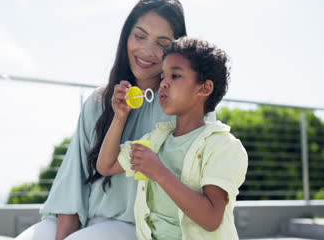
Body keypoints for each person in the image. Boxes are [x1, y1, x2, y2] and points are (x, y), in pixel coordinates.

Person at [15, 0, 187, 240]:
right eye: (139, 36)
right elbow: (74, 176)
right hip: (87, 219)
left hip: (140, 228)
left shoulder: (186, 107)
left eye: (162, 43)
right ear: (126, 37)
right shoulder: (98, 101)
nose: (147, 50)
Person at [97, 37, 248, 239]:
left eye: (175, 76)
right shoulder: (155, 140)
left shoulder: (223, 146)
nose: (164, 83)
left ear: (204, 88)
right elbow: (106, 166)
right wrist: (120, 116)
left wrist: (159, 172)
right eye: (162, 77)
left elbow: (211, 219)